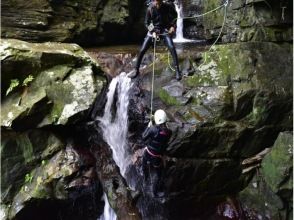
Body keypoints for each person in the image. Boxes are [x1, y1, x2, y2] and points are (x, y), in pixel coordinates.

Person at [129, 0, 182, 80]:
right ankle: (136, 70)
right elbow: (146, 23)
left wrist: (172, 26)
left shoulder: (167, 6)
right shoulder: (150, 8)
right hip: (153, 30)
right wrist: (152, 31)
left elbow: (175, 15)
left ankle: (177, 71)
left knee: (171, 47)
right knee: (142, 49)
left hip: (164, 29)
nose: (159, 2)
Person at [142, 109, 172, 197]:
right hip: (157, 157)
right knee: (159, 175)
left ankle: (145, 179)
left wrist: (148, 127)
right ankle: (155, 193)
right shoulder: (169, 132)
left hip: (148, 153)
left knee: (144, 165)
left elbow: (143, 137)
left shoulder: (152, 129)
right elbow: (163, 136)